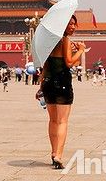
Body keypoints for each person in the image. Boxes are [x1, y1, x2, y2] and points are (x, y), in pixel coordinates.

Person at [36, 15, 85, 169]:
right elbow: (70, 63)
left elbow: (46, 66)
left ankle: (53, 153)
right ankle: (58, 155)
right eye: (70, 24)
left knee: (53, 120)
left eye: (74, 24)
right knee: (62, 121)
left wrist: (40, 86)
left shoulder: (48, 43)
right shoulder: (65, 40)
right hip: (62, 83)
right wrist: (81, 50)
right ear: (63, 25)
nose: (73, 27)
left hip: (49, 84)